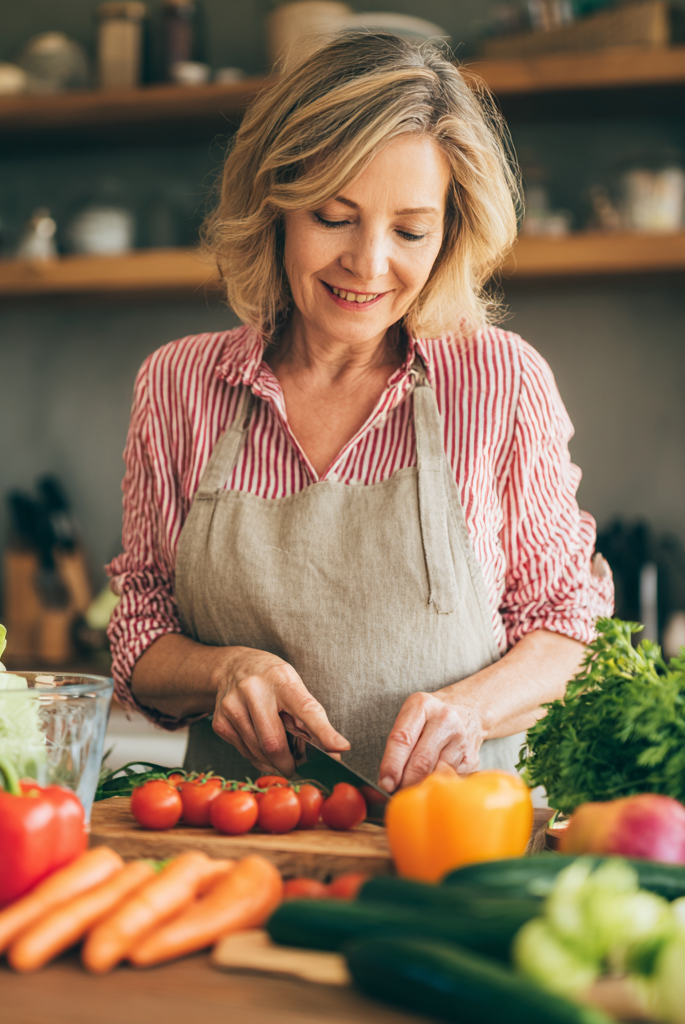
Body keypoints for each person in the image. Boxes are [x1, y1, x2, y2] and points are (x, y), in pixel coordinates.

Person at [107, 33, 612, 794]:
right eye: (333, 216)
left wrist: (469, 710)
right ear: (274, 207)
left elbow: (570, 629)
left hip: (457, 849)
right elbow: (139, 632)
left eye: (410, 230)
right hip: (241, 849)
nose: (369, 263)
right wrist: (225, 672)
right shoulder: (179, 386)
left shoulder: (500, 383)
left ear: (449, 235)